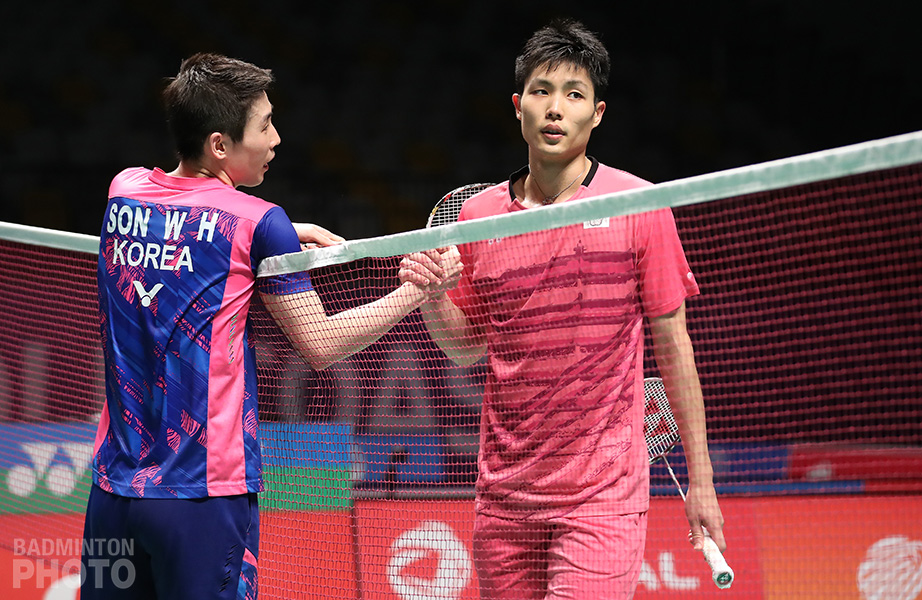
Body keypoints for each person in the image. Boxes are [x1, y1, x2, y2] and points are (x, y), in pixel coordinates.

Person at [82, 53, 458, 599]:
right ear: (220, 145)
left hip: (112, 493)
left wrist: (276, 234)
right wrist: (417, 291)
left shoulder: (124, 189)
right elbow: (321, 344)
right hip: (204, 496)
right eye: (264, 125)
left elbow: (187, 222)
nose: (276, 137)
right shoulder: (259, 221)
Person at [399, 19, 726, 599]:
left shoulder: (639, 204)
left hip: (601, 497)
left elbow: (675, 347)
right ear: (518, 105)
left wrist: (702, 480)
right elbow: (466, 344)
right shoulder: (477, 218)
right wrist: (431, 295)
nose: (555, 108)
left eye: (574, 95)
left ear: (597, 114)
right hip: (504, 498)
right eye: (542, 91)